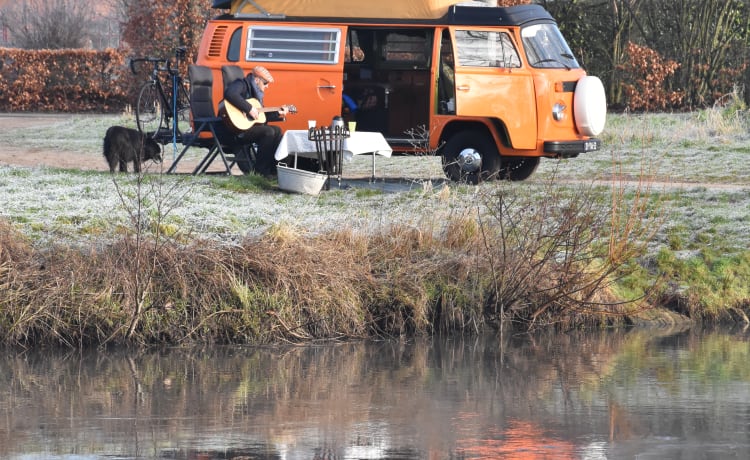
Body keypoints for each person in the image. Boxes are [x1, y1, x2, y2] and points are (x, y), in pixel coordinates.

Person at [223, 65, 289, 177]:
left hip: (248, 128)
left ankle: (273, 170)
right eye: (265, 83)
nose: (267, 87)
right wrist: (248, 108)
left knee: (277, 130)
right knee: (268, 132)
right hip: (236, 130)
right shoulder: (242, 84)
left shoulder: (257, 96)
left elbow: (261, 118)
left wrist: (278, 113)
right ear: (257, 80)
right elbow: (230, 93)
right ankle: (261, 171)